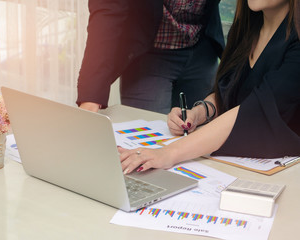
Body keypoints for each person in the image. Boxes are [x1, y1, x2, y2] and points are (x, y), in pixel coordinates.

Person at [120, 0, 300, 174]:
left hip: (285, 172)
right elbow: (227, 89)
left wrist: (169, 152)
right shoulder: (246, 28)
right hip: (237, 164)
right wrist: (199, 113)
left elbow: (256, 110)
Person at [77, 0, 225, 114]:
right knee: (146, 142)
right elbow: (107, 13)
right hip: (149, 55)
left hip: (202, 50)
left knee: (198, 140)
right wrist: (91, 96)